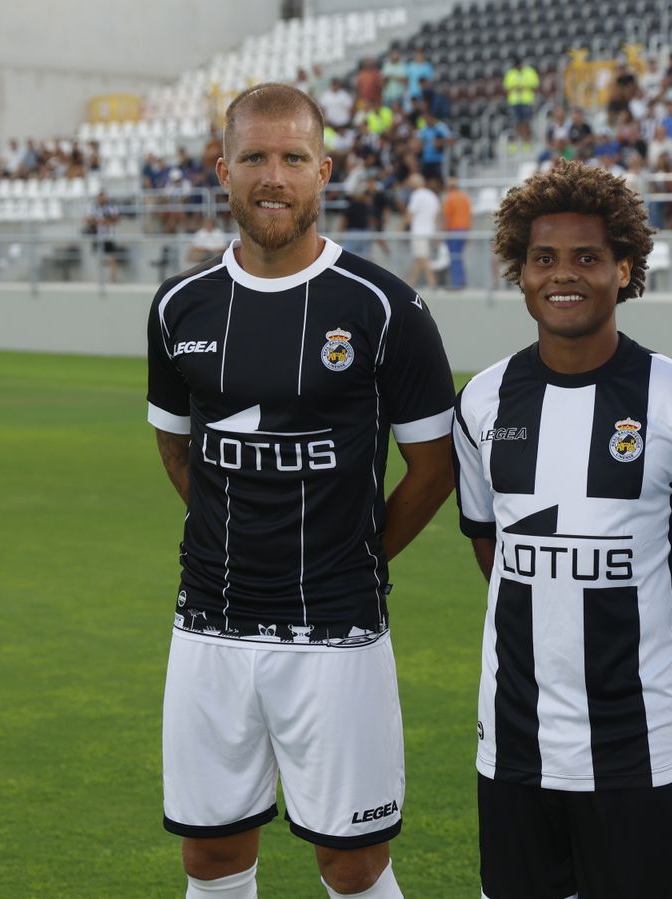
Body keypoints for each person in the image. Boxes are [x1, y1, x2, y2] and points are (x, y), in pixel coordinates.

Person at [145, 83, 456, 899]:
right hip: (209, 623)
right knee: (211, 855)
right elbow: (177, 447)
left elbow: (434, 468)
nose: (272, 176)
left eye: (291, 158)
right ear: (223, 170)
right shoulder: (180, 306)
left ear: (325, 169)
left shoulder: (386, 307)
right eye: (253, 157)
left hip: (339, 627)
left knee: (351, 863)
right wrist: (233, 526)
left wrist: (356, 548)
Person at [456, 159, 672, 899]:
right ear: (520, 272)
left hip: (639, 747)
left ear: (625, 268)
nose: (566, 275)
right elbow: (489, 540)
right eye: (544, 259)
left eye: (589, 258)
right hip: (513, 744)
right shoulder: (483, 400)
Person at [403, 173, 441, 288]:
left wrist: (401, 228)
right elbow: (436, 216)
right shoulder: (432, 195)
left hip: (419, 232)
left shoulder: (417, 195)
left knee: (422, 258)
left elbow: (410, 214)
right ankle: (411, 283)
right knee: (419, 258)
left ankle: (432, 282)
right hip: (429, 231)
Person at [440, 176, 471, 289]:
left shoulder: (449, 198)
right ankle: (461, 281)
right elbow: (468, 215)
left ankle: (456, 284)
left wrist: (443, 233)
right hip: (464, 230)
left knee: (454, 257)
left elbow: (446, 218)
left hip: (453, 230)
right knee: (459, 256)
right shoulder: (464, 198)